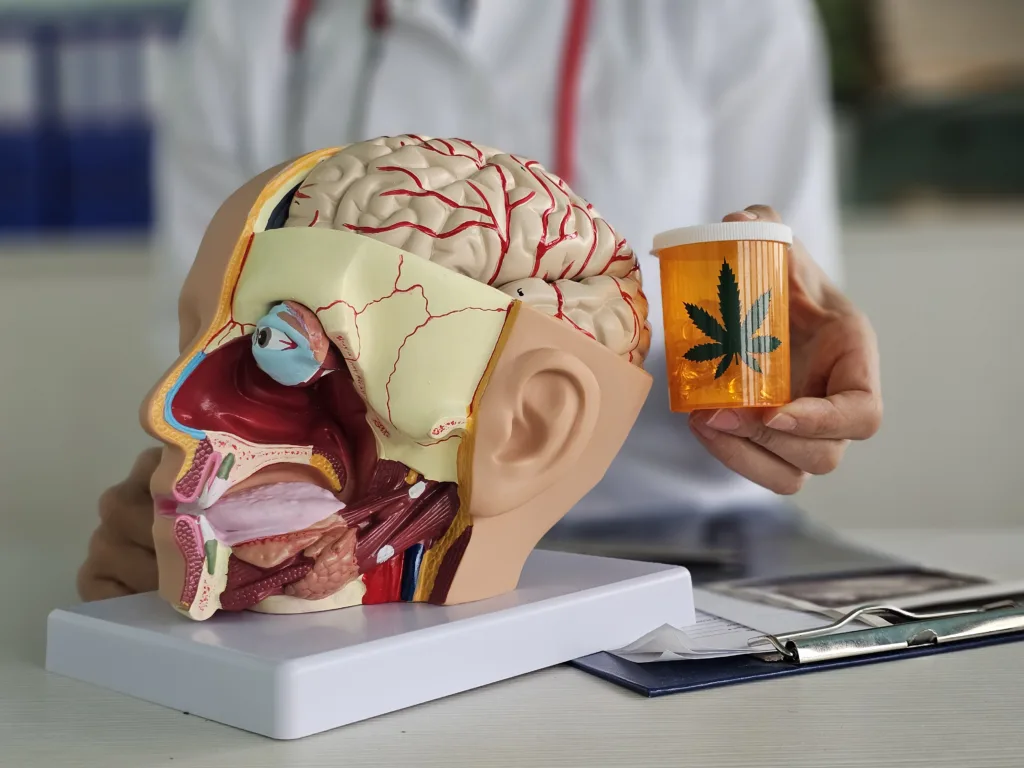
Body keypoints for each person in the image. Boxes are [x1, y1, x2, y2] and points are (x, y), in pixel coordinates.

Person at [77, 0, 882, 600]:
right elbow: (201, 342)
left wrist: (777, 377)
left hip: (689, 543)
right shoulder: (254, 25)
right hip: (361, 549)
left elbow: (767, 282)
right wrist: (205, 510)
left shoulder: (730, 13)